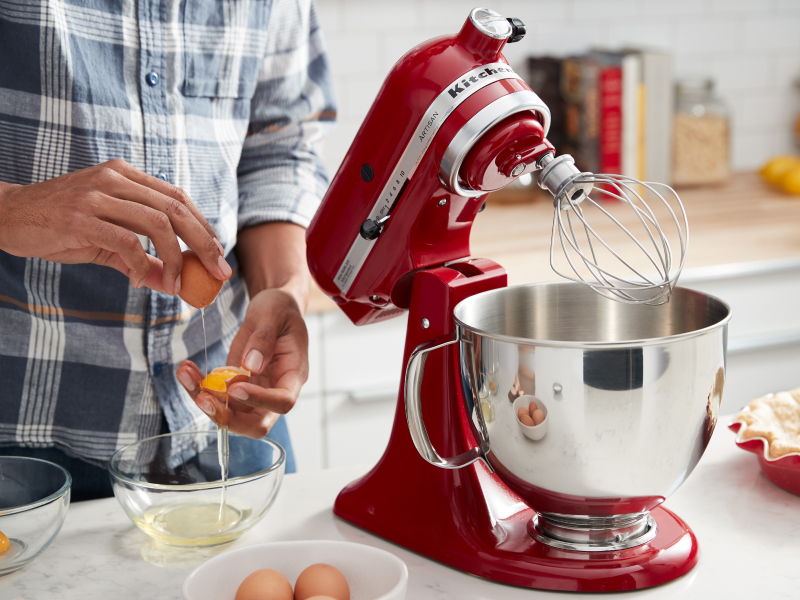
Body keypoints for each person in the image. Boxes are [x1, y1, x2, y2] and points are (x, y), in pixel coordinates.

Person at [0, 0, 335, 500]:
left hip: (227, 412)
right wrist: (14, 210)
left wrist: (283, 290)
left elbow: (278, 149)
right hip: (26, 441)